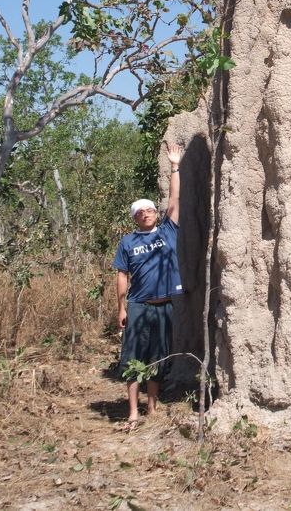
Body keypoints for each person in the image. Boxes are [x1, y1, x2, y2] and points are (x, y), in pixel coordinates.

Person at [113, 142, 183, 431]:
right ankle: (132, 411)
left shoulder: (167, 231)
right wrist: (121, 307)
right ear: (134, 218)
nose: (146, 213)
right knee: (133, 357)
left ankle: (152, 406)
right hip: (139, 306)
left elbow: (175, 200)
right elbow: (121, 275)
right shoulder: (128, 242)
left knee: (158, 357)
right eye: (140, 212)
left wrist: (174, 165)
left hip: (164, 305)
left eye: (149, 209)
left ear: (156, 212)